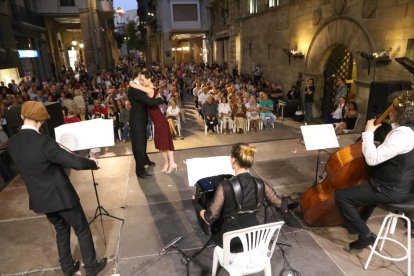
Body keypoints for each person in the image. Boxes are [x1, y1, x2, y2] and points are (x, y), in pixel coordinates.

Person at [7, 101, 107, 275]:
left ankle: (67, 268)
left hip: (41, 199)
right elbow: (73, 161)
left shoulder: (13, 143)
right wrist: (93, 163)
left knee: (61, 230)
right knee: (82, 229)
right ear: (42, 121)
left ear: (22, 117)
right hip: (62, 197)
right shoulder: (43, 142)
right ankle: (91, 267)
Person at [335, 94, 414, 250]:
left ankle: (365, 235)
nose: (388, 112)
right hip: (405, 186)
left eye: (390, 109)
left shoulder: (402, 134)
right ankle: (356, 223)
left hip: (391, 189)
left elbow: (372, 159)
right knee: (366, 188)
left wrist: (368, 133)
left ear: (399, 111)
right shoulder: (408, 130)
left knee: (342, 196)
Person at [198, 143, 288, 248]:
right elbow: (282, 206)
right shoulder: (261, 184)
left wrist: (198, 207)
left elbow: (210, 218)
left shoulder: (224, 186)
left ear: (233, 160)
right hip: (253, 238)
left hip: (231, 242)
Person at [129, 72, 177, 174]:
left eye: (143, 80)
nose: (141, 82)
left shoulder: (149, 89)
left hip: (159, 121)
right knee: (163, 144)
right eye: (140, 80)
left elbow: (135, 86)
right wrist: (161, 98)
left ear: (149, 79)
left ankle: (171, 163)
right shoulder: (151, 89)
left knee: (163, 144)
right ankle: (168, 163)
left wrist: (133, 84)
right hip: (158, 121)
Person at [127, 71, 165, 179]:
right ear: (138, 76)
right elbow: (150, 102)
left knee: (142, 143)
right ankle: (140, 171)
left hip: (140, 121)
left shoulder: (136, 87)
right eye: (142, 78)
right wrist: (161, 99)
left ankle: (145, 160)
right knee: (138, 147)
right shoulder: (135, 90)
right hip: (136, 122)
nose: (143, 80)